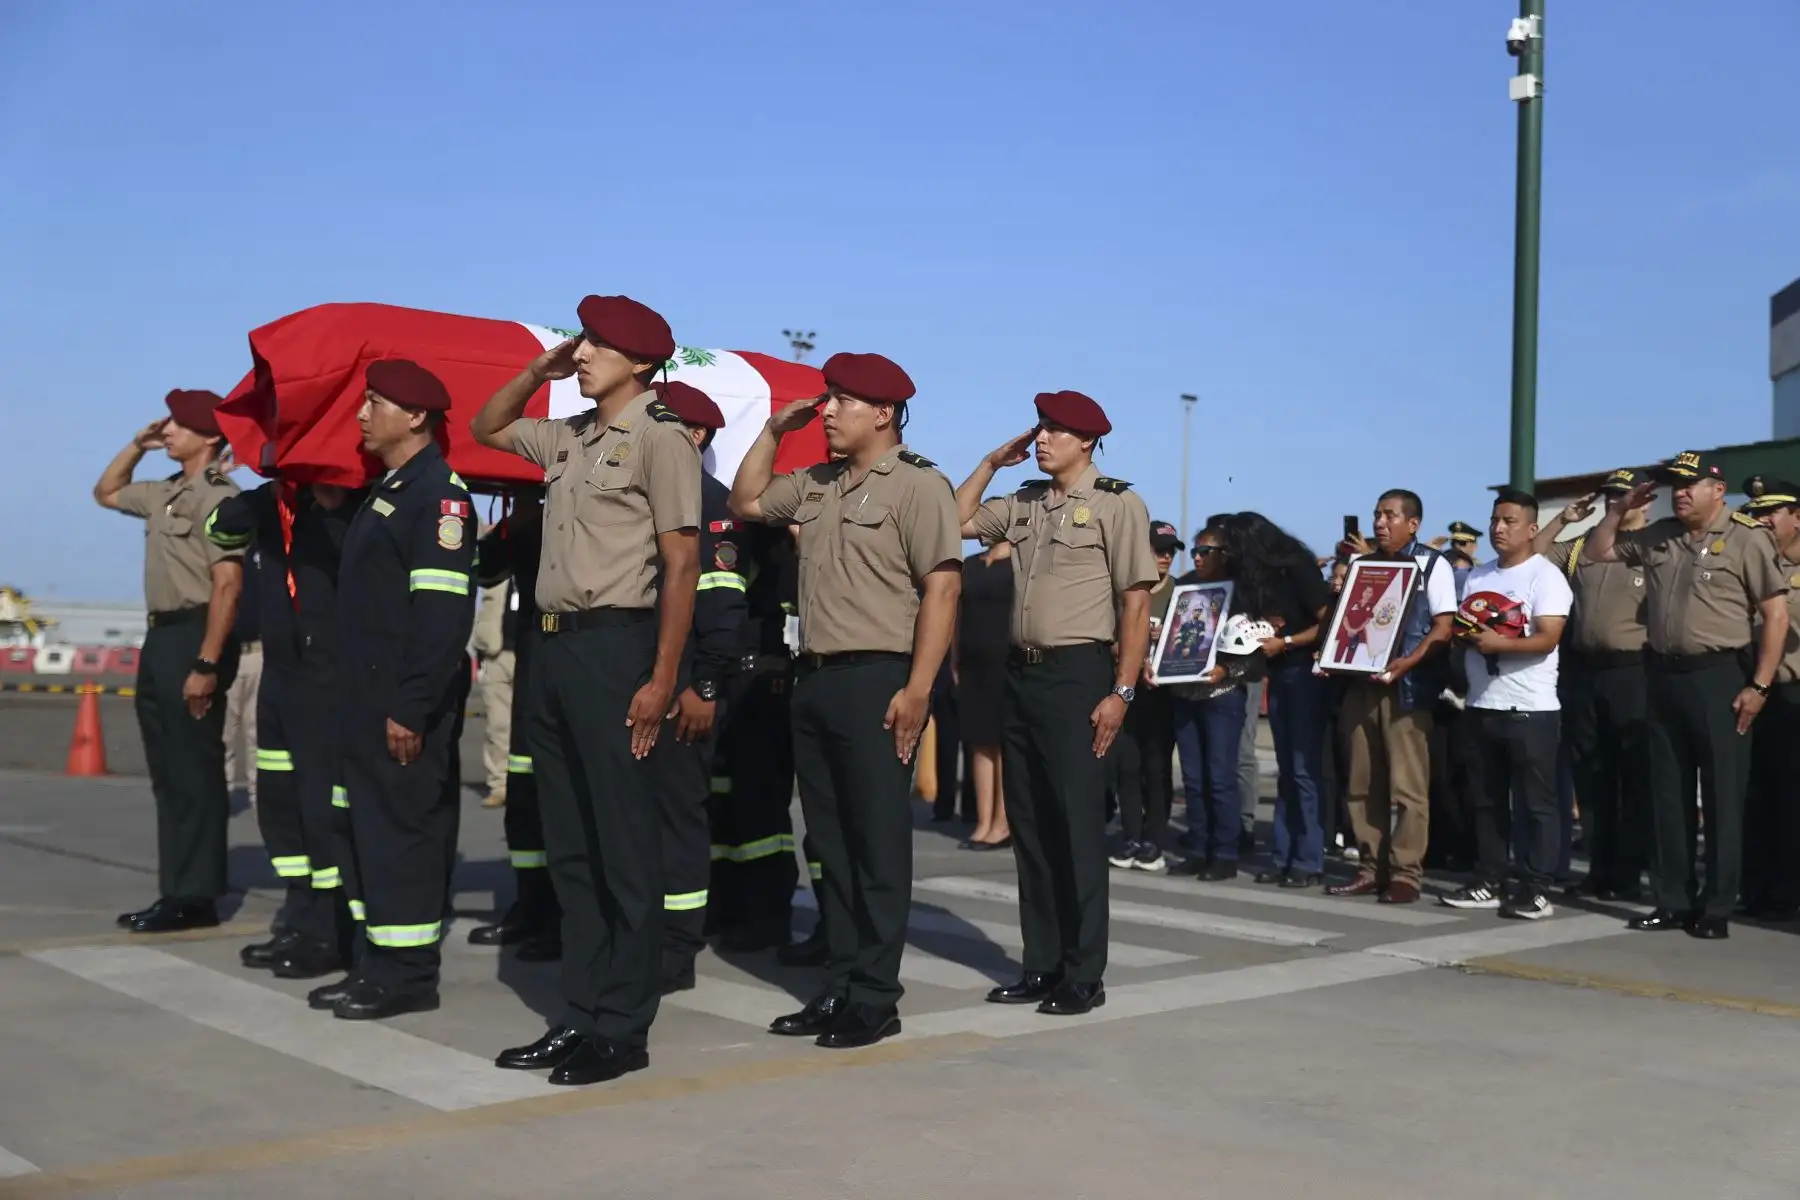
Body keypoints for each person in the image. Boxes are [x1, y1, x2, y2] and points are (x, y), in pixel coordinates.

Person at [474, 295, 700, 1084]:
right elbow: (488, 428)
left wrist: (662, 676)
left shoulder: (663, 438)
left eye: (598, 345)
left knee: (624, 849)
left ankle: (622, 1028)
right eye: (582, 341)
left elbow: (680, 565)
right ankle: (578, 1013)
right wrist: (538, 367)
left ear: (640, 363)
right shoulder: (570, 436)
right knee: (571, 848)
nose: (583, 353)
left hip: (618, 649)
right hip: (554, 652)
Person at [731, 352, 960, 1046]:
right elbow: (746, 501)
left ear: (884, 413)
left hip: (878, 679)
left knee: (877, 844)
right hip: (817, 679)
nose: (826, 412)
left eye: (841, 402)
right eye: (826, 399)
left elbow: (943, 589)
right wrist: (774, 431)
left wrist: (919, 690)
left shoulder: (919, 485)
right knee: (828, 844)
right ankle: (837, 985)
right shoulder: (819, 483)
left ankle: (874, 996)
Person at [958, 390, 1156, 1015]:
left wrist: (1121, 691)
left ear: (1087, 442)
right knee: (1033, 828)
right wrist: (993, 460)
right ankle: (1040, 964)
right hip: (1022, 677)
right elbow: (953, 520)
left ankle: (1083, 972)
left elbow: (1135, 603)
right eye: (1039, 428)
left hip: (1079, 675)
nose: (1041, 438)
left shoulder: (1117, 503)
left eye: (1055, 431)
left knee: (1074, 827)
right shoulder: (1022, 502)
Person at [302, 360, 475, 1021]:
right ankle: (377, 965)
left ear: (416, 417)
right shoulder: (390, 491)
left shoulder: (440, 498)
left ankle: (406, 976)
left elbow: (439, 617)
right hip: (365, 700)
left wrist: (412, 705)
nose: (362, 414)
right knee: (369, 833)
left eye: (374, 403)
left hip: (401, 703)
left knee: (401, 837)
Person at [1584, 451, 1789, 939]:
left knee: (1721, 796)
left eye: (1690, 484)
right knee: (1667, 796)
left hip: (1720, 675)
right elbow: (1597, 552)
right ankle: (1672, 900)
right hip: (1663, 677)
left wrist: (1759, 685)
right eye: (1675, 484)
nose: (1679, 492)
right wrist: (1616, 511)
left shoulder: (1746, 539)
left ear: (1717, 490)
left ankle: (1716, 906)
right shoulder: (1659, 536)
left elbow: (1776, 617)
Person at [94, 390, 243, 933]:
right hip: (160, 636)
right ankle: (176, 889)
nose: (169, 430)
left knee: (194, 770)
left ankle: (197, 896)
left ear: (211, 437)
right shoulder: (165, 492)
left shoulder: (221, 497)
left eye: (182, 424)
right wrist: (136, 444)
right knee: (167, 771)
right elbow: (106, 492)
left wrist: (206, 663)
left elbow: (228, 584)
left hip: (195, 635)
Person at [207, 475, 366, 979]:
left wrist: (331, 503)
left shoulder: (353, 499)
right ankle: (299, 919)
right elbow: (219, 528)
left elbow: (363, 566)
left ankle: (331, 932)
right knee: (281, 804)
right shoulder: (269, 502)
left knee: (321, 811)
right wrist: (269, 494)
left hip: (327, 677)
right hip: (280, 675)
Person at [647, 379, 749, 993]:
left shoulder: (714, 505)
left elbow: (723, 609)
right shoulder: (646, 498)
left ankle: (676, 949)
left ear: (696, 436)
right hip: (647, 682)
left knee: (677, 819)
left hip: (688, 687)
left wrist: (705, 685)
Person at [1439, 489, 1571, 920]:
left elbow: (1549, 638)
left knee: (1537, 804)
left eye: (1509, 521)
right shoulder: (1478, 577)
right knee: (1486, 801)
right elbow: (1464, 626)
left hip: (1530, 708)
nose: (1498, 528)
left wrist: (1500, 643)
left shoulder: (1545, 577)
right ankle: (1489, 880)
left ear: (1532, 529)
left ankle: (1537, 887)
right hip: (1482, 705)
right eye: (1495, 519)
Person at [1325, 489, 1456, 905]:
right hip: (1361, 685)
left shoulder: (1433, 565)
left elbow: (1443, 628)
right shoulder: (1363, 565)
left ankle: (1405, 873)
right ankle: (1369, 868)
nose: (1380, 523)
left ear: (1413, 523)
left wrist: (1408, 661)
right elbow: (1348, 622)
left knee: (1407, 788)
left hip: (1407, 687)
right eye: (1377, 515)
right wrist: (1330, 651)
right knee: (1362, 781)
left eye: (1390, 516)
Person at [1533, 469, 1650, 901]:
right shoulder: (1582, 546)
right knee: (1592, 775)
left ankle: (1629, 873)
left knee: (1633, 777)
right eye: (1611, 496)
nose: (1615, 503)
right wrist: (1564, 518)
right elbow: (1535, 555)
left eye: (1625, 496)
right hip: (1585, 672)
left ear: (1646, 500)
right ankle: (1600, 870)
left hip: (1633, 670)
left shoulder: (1653, 544)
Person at [1212, 512, 1334, 889]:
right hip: (1278, 674)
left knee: (1303, 769)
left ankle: (1309, 858)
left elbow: (1328, 620)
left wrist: (1289, 641)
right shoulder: (1252, 579)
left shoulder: (1296, 567)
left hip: (1304, 673)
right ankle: (1284, 856)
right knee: (1287, 770)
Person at [467, 489, 562, 959]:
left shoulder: (577, 510)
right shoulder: (518, 522)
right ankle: (529, 905)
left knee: (559, 806)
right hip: (528, 666)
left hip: (564, 664)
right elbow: (488, 571)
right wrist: (515, 519)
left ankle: (561, 918)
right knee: (523, 801)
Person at [1161, 522, 1251, 880]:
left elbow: (1254, 651)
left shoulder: (1240, 591)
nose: (1197, 558)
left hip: (1221, 695)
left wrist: (1225, 670)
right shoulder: (1184, 587)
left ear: (1224, 554)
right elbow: (1172, 635)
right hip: (1184, 692)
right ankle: (1198, 848)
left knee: (1220, 777)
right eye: (1194, 552)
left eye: (1205, 552)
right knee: (1194, 779)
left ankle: (1225, 853)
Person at [1739, 476, 1800, 920]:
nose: (1760, 521)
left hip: (1794, 694)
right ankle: (1757, 887)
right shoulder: (1749, 565)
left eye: (1771, 513)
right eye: (1755, 513)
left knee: (1791, 798)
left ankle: (1787, 889)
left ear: (1797, 519)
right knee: (1753, 795)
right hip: (1752, 694)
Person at [1110, 519, 1181, 872]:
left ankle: (1155, 840)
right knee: (1127, 767)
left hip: (1163, 695)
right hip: (1126, 692)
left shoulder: (1182, 594)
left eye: (1170, 551)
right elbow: (1108, 637)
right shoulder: (1124, 590)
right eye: (1158, 550)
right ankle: (1131, 837)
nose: (1165, 558)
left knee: (1157, 769)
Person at [955, 524, 1015, 850]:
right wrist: (952, 658)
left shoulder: (1019, 563)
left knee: (1003, 744)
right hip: (972, 662)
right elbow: (956, 613)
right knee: (979, 743)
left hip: (1006, 663)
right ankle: (983, 821)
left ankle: (1002, 823)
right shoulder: (971, 565)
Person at [472, 568, 515, 809]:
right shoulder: (499, 562)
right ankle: (499, 785)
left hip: (530, 649)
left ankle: (529, 785)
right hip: (496, 652)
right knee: (498, 724)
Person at [223, 551, 262, 810]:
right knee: (224, 733)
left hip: (258, 651)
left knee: (257, 732)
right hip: (227, 651)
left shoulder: (266, 549)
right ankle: (220, 795)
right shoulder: (219, 550)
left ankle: (259, 796)